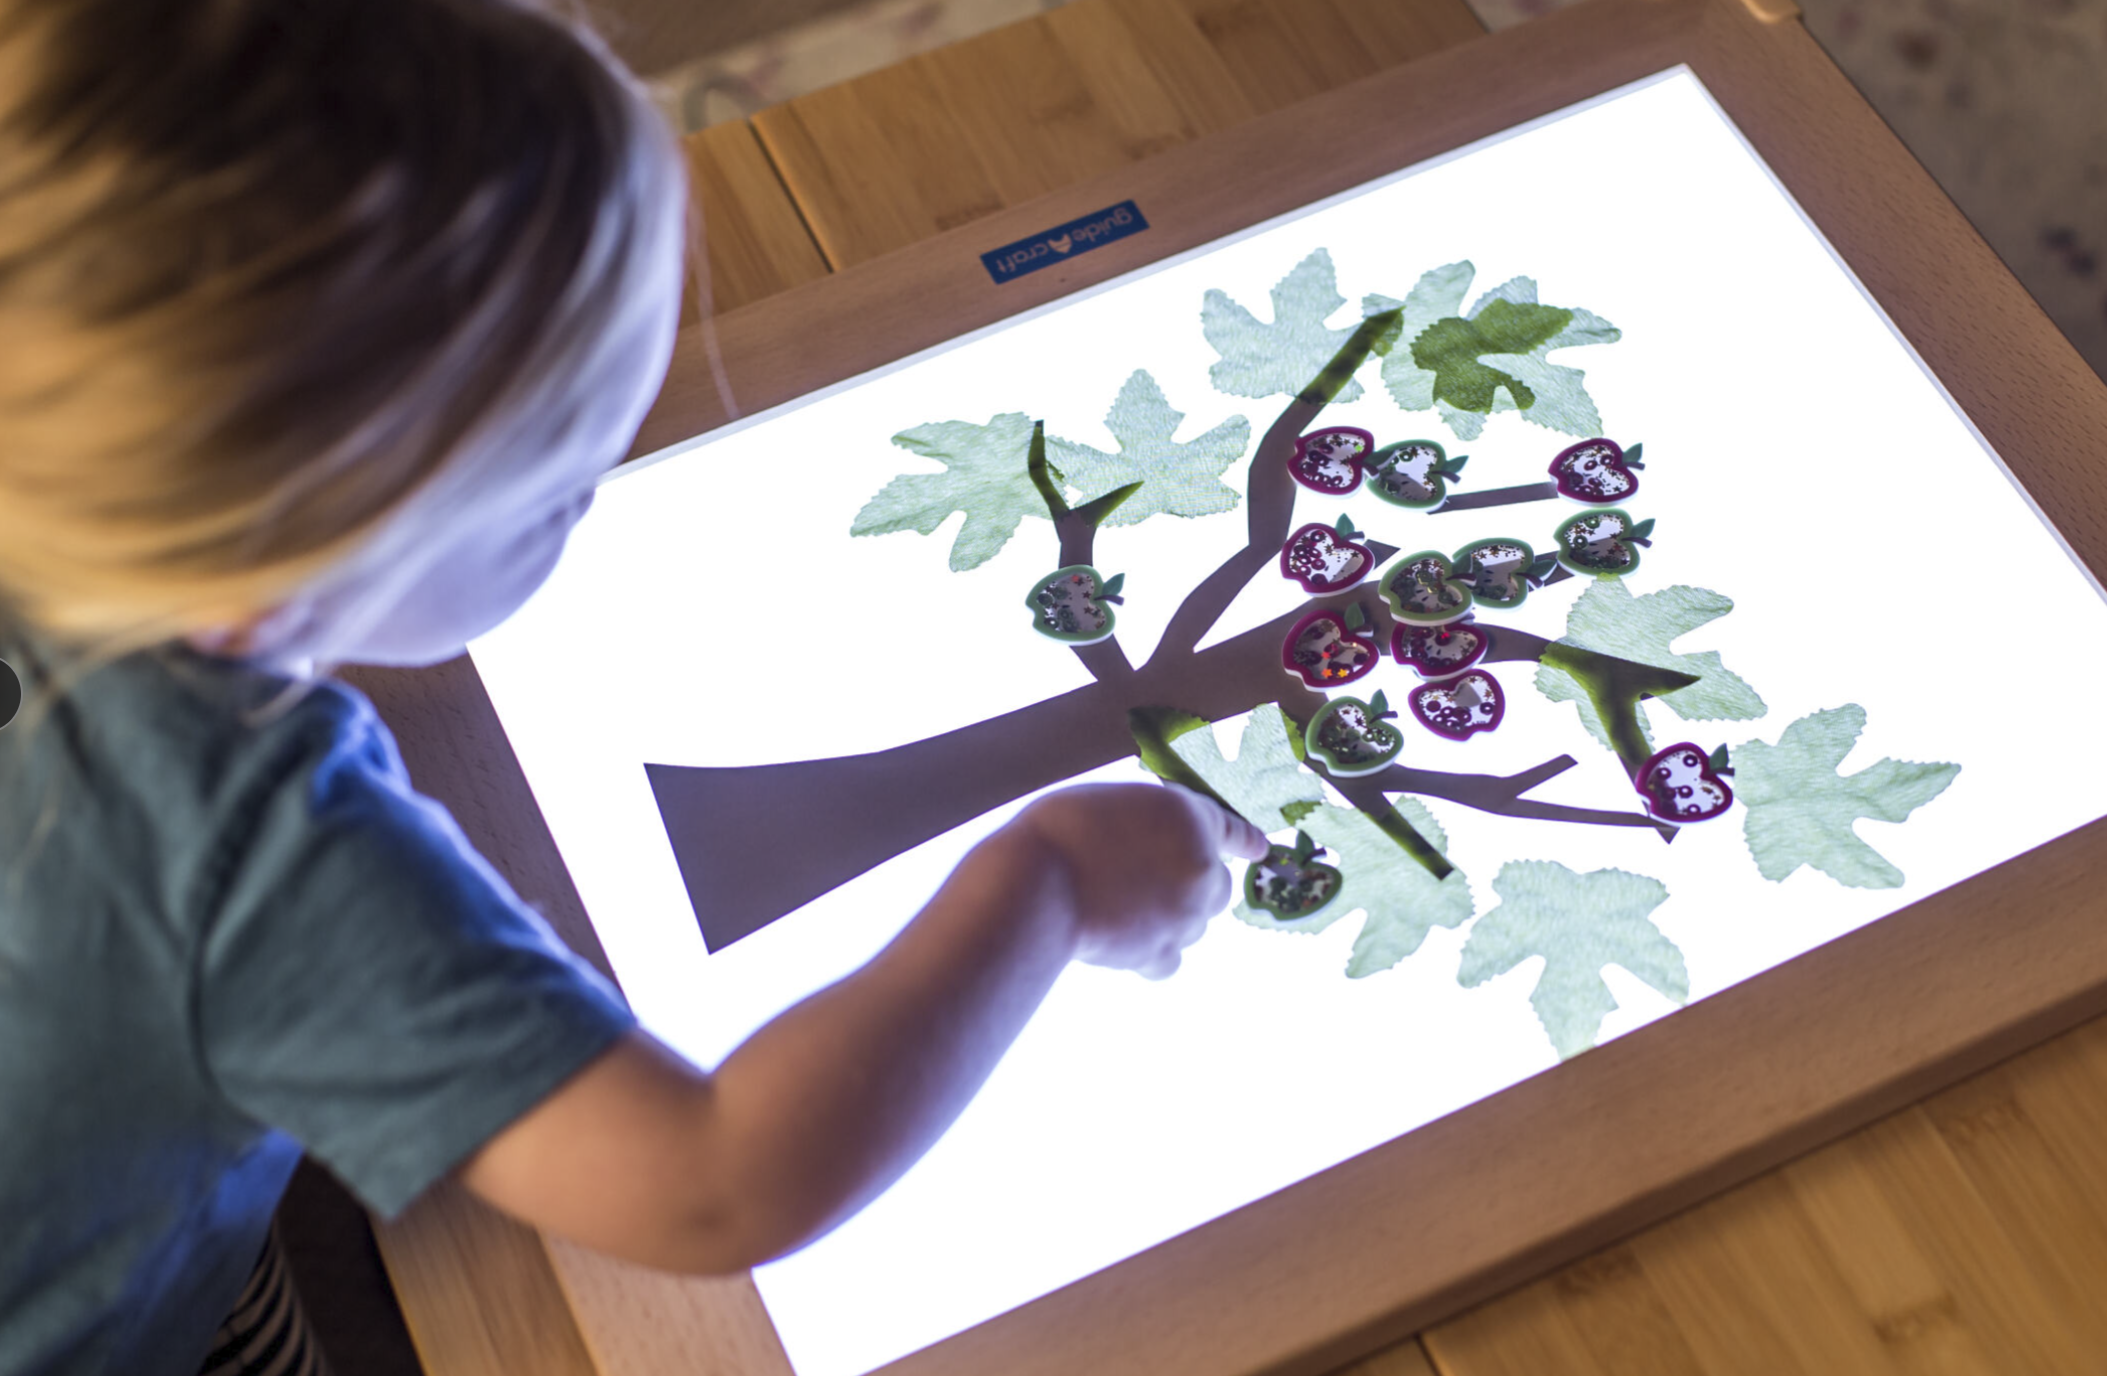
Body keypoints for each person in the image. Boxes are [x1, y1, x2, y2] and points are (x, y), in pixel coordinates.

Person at [0, 2, 1267, 1373]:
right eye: (557, 498)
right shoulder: (247, 842)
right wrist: (1051, 880)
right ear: (283, 564)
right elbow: (715, 1181)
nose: (586, 514)